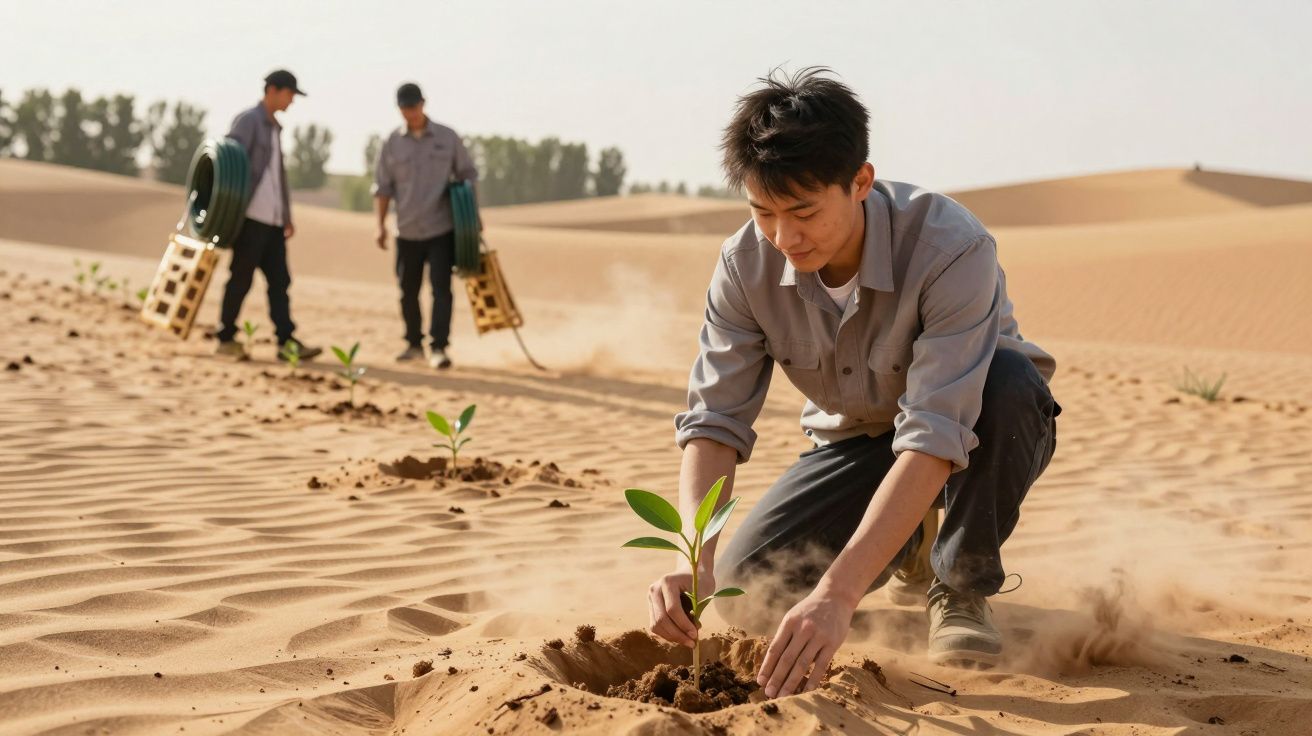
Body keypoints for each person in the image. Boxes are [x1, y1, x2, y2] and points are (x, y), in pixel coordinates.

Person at [647, 69, 1060, 697]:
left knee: (1008, 383)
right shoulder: (743, 265)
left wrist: (837, 595)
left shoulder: (951, 247)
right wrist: (693, 559)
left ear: (860, 182)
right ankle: (908, 541)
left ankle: (960, 582)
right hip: (854, 443)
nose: (785, 237)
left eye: (804, 212)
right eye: (763, 212)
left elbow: (936, 429)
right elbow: (714, 420)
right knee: (749, 590)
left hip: (976, 424)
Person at [215, 69, 321, 362]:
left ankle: (286, 342)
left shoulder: (274, 128)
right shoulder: (249, 121)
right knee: (241, 278)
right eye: (290, 94)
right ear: (273, 90)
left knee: (280, 281)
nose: (291, 101)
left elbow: (277, 177)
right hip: (250, 218)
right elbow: (229, 160)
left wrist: (285, 214)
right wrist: (228, 210)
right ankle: (225, 337)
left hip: (272, 220)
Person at [372, 82, 480, 370]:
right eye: (406, 108)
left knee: (441, 290)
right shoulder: (392, 143)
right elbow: (383, 187)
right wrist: (380, 225)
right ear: (400, 109)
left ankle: (439, 347)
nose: (412, 113)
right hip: (406, 230)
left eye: (415, 106)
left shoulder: (447, 137)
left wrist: (473, 219)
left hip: (441, 228)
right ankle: (413, 344)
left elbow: (468, 175)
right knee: (408, 290)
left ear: (424, 103)